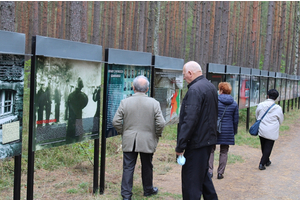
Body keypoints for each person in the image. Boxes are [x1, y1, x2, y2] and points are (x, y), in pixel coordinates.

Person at [113, 75, 165, 200]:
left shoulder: (125, 102)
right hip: (147, 140)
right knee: (147, 166)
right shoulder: (154, 103)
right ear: (147, 89)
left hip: (129, 140)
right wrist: (156, 134)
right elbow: (161, 123)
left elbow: (115, 121)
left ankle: (126, 195)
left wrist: (124, 132)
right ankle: (148, 190)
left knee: (128, 167)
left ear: (133, 88)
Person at [175, 61, 218, 200]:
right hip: (207, 141)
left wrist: (180, 145)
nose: (184, 78)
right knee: (203, 177)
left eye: (184, 75)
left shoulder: (195, 90)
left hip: (196, 143)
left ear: (190, 73)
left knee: (191, 182)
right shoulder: (210, 86)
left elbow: (189, 120)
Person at [208, 82, 239, 179]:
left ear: (221, 90)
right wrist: (233, 131)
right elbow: (235, 120)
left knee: (211, 150)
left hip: (215, 129)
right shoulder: (234, 103)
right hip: (228, 130)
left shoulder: (215, 101)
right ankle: (220, 173)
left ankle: (209, 171)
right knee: (224, 151)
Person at [255, 89, 284, 170]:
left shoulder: (261, 105)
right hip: (272, 130)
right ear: (276, 98)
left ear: (267, 96)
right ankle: (262, 163)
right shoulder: (278, 108)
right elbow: (281, 120)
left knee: (263, 146)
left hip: (262, 128)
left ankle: (267, 161)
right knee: (268, 147)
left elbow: (257, 116)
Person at [66, 77, 88, 144]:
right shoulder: (83, 96)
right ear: (81, 87)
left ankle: (71, 136)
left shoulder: (70, 95)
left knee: (71, 129)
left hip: (72, 116)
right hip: (78, 114)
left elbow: (68, 104)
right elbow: (85, 102)